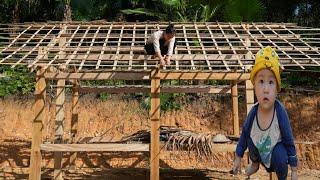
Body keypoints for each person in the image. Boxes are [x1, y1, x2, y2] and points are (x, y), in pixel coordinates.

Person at [232, 46, 298, 180]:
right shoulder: (253, 112)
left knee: (281, 154)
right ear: (254, 86)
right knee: (250, 133)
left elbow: (289, 140)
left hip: (274, 153)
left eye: (271, 82)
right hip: (258, 150)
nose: (266, 89)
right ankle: (255, 164)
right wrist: (238, 157)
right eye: (261, 82)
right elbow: (244, 135)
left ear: (277, 88)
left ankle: (282, 177)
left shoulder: (279, 112)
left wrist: (294, 170)